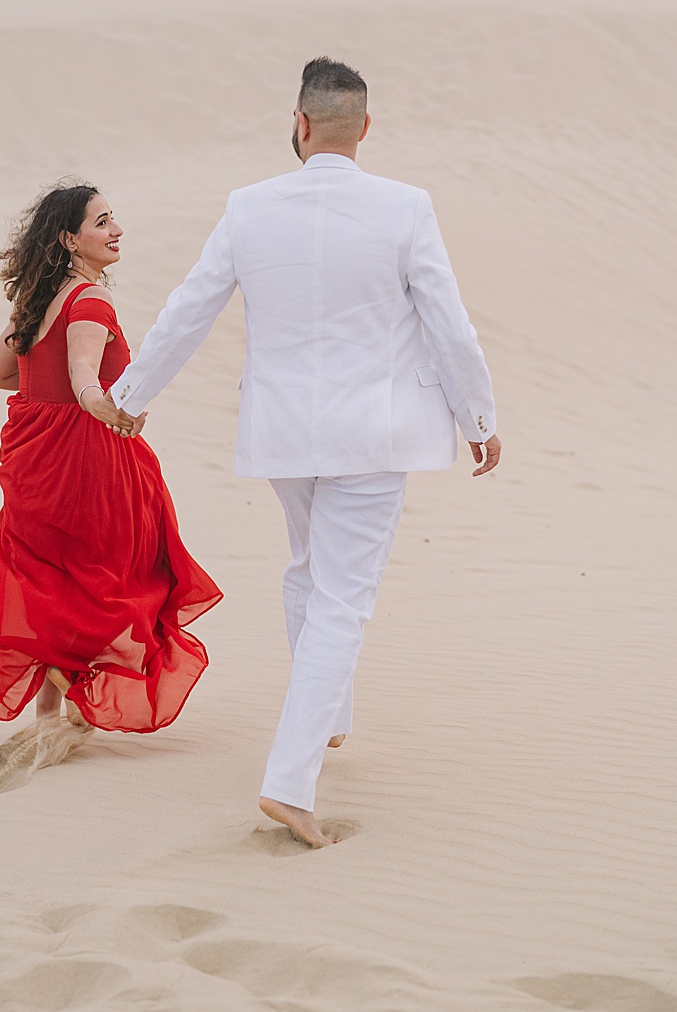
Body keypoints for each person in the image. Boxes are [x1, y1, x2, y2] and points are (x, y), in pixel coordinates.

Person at [108, 56, 500, 848]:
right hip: (371, 434)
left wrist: (131, 395)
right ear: (365, 129)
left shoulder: (250, 208)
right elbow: (449, 323)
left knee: (308, 573)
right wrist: (479, 415)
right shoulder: (405, 207)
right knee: (343, 600)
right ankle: (291, 781)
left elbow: (190, 308)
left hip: (284, 434)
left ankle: (329, 717)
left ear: (300, 122)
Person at [0, 182, 222, 764]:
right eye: (102, 222)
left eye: (114, 219)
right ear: (69, 239)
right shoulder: (91, 303)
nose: (116, 230)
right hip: (86, 459)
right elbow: (85, 372)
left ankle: (49, 721)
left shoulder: (35, 300)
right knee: (116, 578)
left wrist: (50, 392)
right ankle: (77, 695)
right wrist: (104, 404)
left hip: (34, 456)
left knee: (48, 574)